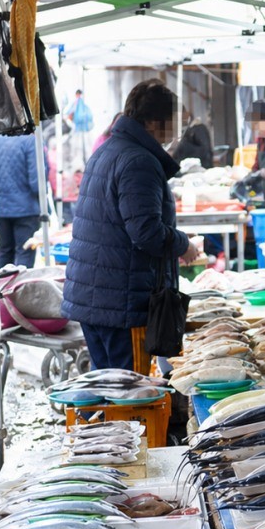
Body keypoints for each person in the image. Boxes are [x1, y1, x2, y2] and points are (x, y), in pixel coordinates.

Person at [62, 80, 200, 371]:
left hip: (98, 298)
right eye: (173, 124)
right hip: (122, 303)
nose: (177, 133)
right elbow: (146, 232)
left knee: (109, 386)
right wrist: (183, 244)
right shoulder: (139, 160)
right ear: (152, 122)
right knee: (130, 392)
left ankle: (101, 417)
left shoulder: (108, 149)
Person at [0, 132, 44, 268]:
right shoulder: (30, 140)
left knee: (4, 250)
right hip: (26, 208)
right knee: (24, 250)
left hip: (1, 207)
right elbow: (37, 181)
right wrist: (44, 207)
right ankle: (20, 288)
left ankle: (2, 287)